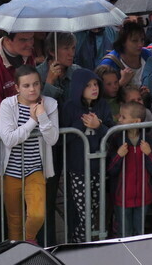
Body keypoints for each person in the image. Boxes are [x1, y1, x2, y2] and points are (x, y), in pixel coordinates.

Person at [0, 66, 59, 242]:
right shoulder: (7, 104)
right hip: (10, 171)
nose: (32, 89)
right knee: (14, 221)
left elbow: (53, 138)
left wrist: (43, 116)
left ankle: (29, 239)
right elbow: (8, 139)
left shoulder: (50, 104)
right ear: (17, 87)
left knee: (38, 215)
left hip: (35, 169)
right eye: (26, 85)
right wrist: (33, 121)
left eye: (36, 84)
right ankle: (18, 254)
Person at [62, 68, 113, 243]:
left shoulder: (103, 105)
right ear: (78, 88)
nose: (94, 88)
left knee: (95, 208)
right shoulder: (69, 107)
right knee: (85, 212)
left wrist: (98, 126)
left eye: (96, 84)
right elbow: (63, 137)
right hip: (78, 169)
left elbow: (112, 133)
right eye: (89, 85)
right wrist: (82, 124)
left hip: (98, 168)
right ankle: (81, 244)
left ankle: (85, 243)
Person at [107, 101, 152, 237]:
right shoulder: (116, 140)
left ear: (136, 121)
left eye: (123, 117)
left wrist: (149, 153)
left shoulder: (150, 142)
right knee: (124, 232)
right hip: (122, 197)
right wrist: (118, 156)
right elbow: (110, 170)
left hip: (143, 197)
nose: (119, 120)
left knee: (140, 232)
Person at [0, 32, 36, 113]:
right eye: (23, 40)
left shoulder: (29, 52)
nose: (30, 44)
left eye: (31, 38)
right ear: (7, 40)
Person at [99, 20, 152, 93]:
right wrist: (122, 82)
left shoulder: (148, 55)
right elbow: (104, 93)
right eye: (134, 41)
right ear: (123, 42)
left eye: (142, 40)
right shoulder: (109, 63)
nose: (140, 44)